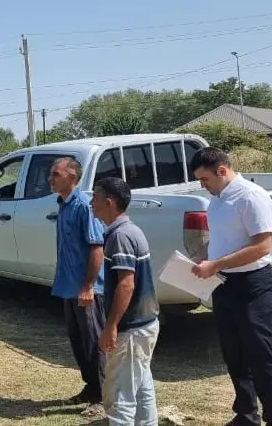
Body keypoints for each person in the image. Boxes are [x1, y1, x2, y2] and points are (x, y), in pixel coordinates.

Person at [189, 146, 272, 426]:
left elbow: (262, 245)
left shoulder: (250, 196)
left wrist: (215, 265)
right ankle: (246, 413)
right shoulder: (216, 200)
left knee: (259, 352)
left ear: (222, 170)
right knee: (233, 351)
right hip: (225, 283)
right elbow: (226, 240)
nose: (202, 186)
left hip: (254, 283)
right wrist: (206, 260)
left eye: (205, 179)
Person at [91, 177, 160, 425]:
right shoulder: (130, 231)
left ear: (108, 202)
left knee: (120, 396)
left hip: (131, 329)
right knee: (141, 388)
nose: (91, 202)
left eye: (95, 197)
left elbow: (126, 284)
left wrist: (111, 327)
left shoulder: (120, 236)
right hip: (144, 324)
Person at [49, 157, 106, 412]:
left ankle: (103, 396)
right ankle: (91, 387)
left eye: (55, 174)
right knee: (78, 340)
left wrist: (88, 286)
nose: (50, 179)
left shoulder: (84, 205)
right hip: (68, 287)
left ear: (72, 176)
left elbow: (96, 247)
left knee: (94, 341)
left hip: (87, 290)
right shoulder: (63, 204)